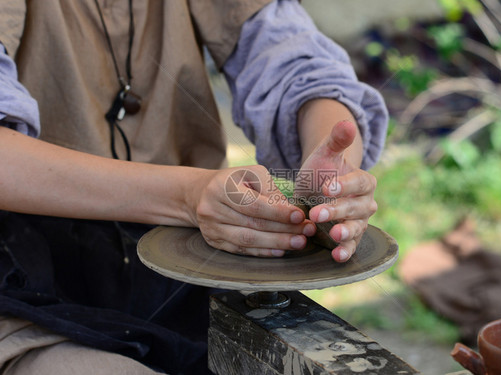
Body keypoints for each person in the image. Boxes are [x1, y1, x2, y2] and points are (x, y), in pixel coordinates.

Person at [0, 0, 388, 373]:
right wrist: (188, 195)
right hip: (22, 272)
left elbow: (293, 58)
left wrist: (330, 172)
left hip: (186, 264)